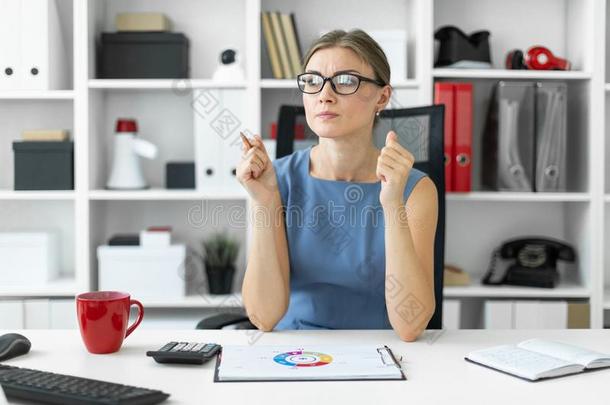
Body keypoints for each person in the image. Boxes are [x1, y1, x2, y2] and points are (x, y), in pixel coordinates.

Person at [238, 29, 438, 342]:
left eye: (345, 81)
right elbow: (263, 317)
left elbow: (410, 326)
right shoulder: (274, 180)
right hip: (296, 354)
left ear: (382, 97)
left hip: (383, 355)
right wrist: (265, 201)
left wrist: (392, 203)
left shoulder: (414, 190)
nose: (324, 95)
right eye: (313, 81)